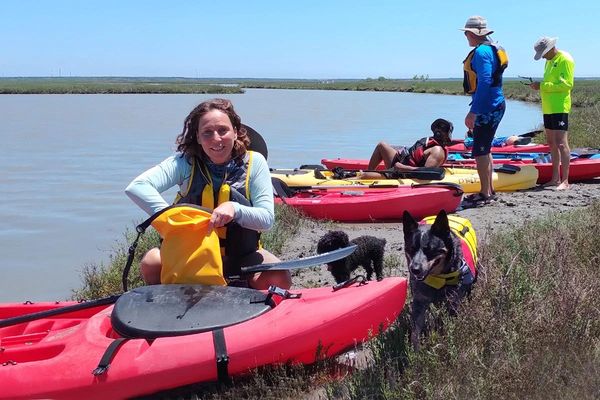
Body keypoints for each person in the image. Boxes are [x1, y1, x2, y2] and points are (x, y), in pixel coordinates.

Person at [125, 98, 291, 289]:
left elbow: (266, 219)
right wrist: (174, 217)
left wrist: (235, 209)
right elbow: (137, 186)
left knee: (280, 277)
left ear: (235, 132)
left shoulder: (255, 162)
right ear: (197, 136)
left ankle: (244, 295)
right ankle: (171, 304)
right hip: (192, 256)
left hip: (241, 256)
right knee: (152, 262)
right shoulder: (184, 163)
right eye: (207, 132)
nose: (216, 139)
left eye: (223, 130)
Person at [460, 15, 507, 207]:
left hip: (488, 107)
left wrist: (474, 112)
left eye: (466, 34)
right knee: (485, 149)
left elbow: (485, 81)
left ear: (472, 34)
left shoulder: (481, 53)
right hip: (494, 104)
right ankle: (488, 191)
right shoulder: (491, 48)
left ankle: (485, 193)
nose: (465, 37)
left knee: (480, 151)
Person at [528, 37, 575, 190]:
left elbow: (567, 84)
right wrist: (540, 87)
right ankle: (555, 178)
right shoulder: (549, 61)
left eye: (543, 54)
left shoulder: (565, 59)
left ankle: (565, 181)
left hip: (560, 107)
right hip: (548, 107)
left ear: (550, 48)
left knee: (561, 143)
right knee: (552, 143)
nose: (542, 57)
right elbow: (551, 83)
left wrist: (542, 85)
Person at [359, 118, 453, 179]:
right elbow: (414, 151)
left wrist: (402, 168)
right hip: (402, 162)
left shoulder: (438, 151)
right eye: (438, 127)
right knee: (382, 145)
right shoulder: (430, 142)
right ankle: (369, 172)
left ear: (447, 135)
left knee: (366, 176)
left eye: (443, 129)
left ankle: (363, 177)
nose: (439, 130)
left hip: (406, 173)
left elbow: (425, 173)